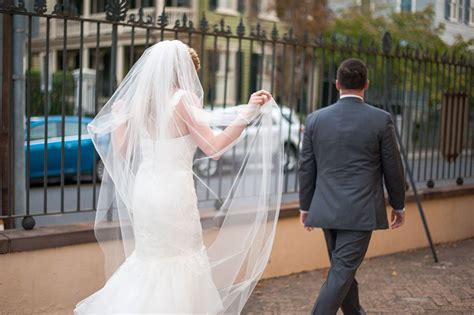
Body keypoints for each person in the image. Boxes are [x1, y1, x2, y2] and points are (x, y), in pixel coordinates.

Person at [74, 40, 284, 314]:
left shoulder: (141, 103)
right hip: (173, 192)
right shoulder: (183, 100)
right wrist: (247, 113)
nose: (193, 79)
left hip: (146, 191)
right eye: (191, 71)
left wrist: (118, 118)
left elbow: (122, 152)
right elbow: (214, 147)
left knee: (150, 257)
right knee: (180, 258)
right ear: (183, 71)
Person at [298, 58, 406, 315]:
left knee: (342, 269)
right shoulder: (381, 120)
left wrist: (306, 206)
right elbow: (393, 167)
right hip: (360, 212)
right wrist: (398, 205)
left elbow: (306, 167)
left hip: (325, 209)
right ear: (366, 85)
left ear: (337, 84)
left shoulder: (315, 119)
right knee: (341, 272)